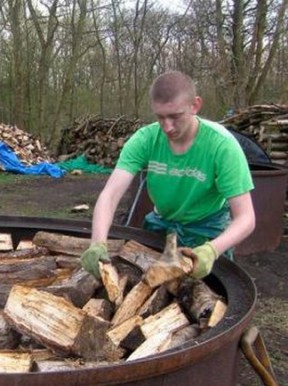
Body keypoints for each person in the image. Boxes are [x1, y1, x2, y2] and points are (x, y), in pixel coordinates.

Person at [81, 71, 256, 280]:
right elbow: (110, 195)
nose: (167, 127)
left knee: (206, 295)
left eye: (175, 116)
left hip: (208, 228)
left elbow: (246, 217)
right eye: (160, 117)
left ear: (195, 105)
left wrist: (212, 250)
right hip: (162, 223)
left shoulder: (222, 146)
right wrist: (98, 242)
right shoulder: (145, 139)